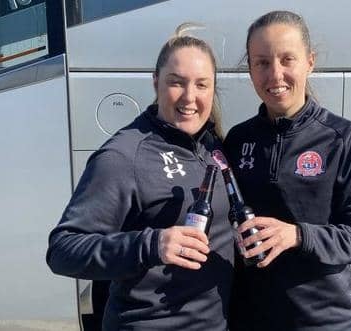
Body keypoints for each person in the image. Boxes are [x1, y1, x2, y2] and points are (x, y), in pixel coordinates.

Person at [46, 27, 234, 331]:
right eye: (176, 82)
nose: (190, 96)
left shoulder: (211, 144)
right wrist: (152, 244)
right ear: (156, 81)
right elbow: (63, 250)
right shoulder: (123, 155)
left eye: (202, 84)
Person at [224, 10, 351, 331]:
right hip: (250, 319)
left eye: (287, 59)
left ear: (309, 61)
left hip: (323, 320)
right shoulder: (239, 140)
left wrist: (296, 235)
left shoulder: (343, 139)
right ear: (250, 69)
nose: (275, 75)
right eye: (262, 63)